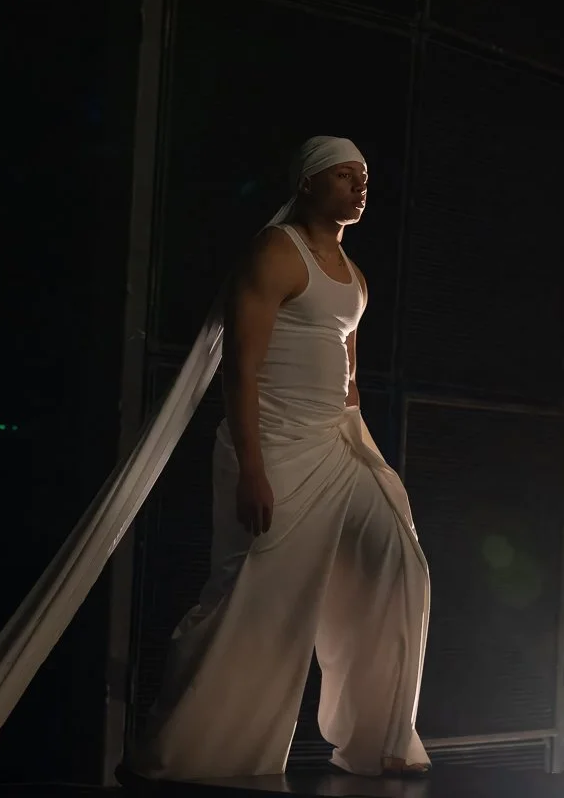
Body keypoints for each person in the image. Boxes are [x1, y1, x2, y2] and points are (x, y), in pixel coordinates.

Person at [125, 136, 432, 781]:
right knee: (252, 594)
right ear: (309, 183)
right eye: (344, 176)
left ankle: (380, 741)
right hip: (276, 446)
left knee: (400, 563)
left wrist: (362, 445)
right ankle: (180, 754)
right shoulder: (276, 252)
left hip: (337, 444)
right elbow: (241, 368)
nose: (360, 186)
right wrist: (252, 467)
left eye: (364, 176)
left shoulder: (354, 276)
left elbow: (349, 376)